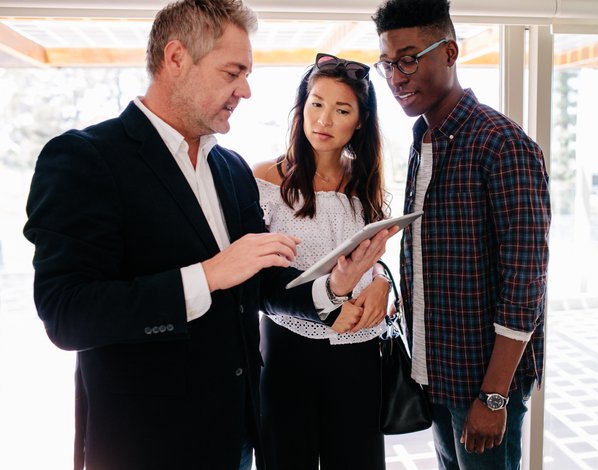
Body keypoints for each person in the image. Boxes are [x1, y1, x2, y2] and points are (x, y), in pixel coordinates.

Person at [23, 1, 394, 469]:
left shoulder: (230, 168)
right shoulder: (85, 159)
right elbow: (66, 314)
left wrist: (335, 287)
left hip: (237, 439)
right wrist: (208, 275)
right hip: (144, 445)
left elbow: (264, 283)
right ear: (176, 59)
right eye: (233, 72)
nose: (247, 90)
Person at [371, 1, 552, 469]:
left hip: (483, 385)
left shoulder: (502, 144)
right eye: (387, 63)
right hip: (436, 375)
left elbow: (525, 283)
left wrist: (493, 398)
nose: (396, 77)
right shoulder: (422, 142)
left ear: (449, 52)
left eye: (409, 59)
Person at [251, 53, 390, 470]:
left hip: (359, 354)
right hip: (289, 352)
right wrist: (331, 298)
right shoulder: (264, 179)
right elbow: (258, 280)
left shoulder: (366, 182)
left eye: (341, 110)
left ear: (360, 121)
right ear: (301, 106)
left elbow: (374, 255)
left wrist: (382, 282)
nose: (324, 120)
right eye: (316, 103)